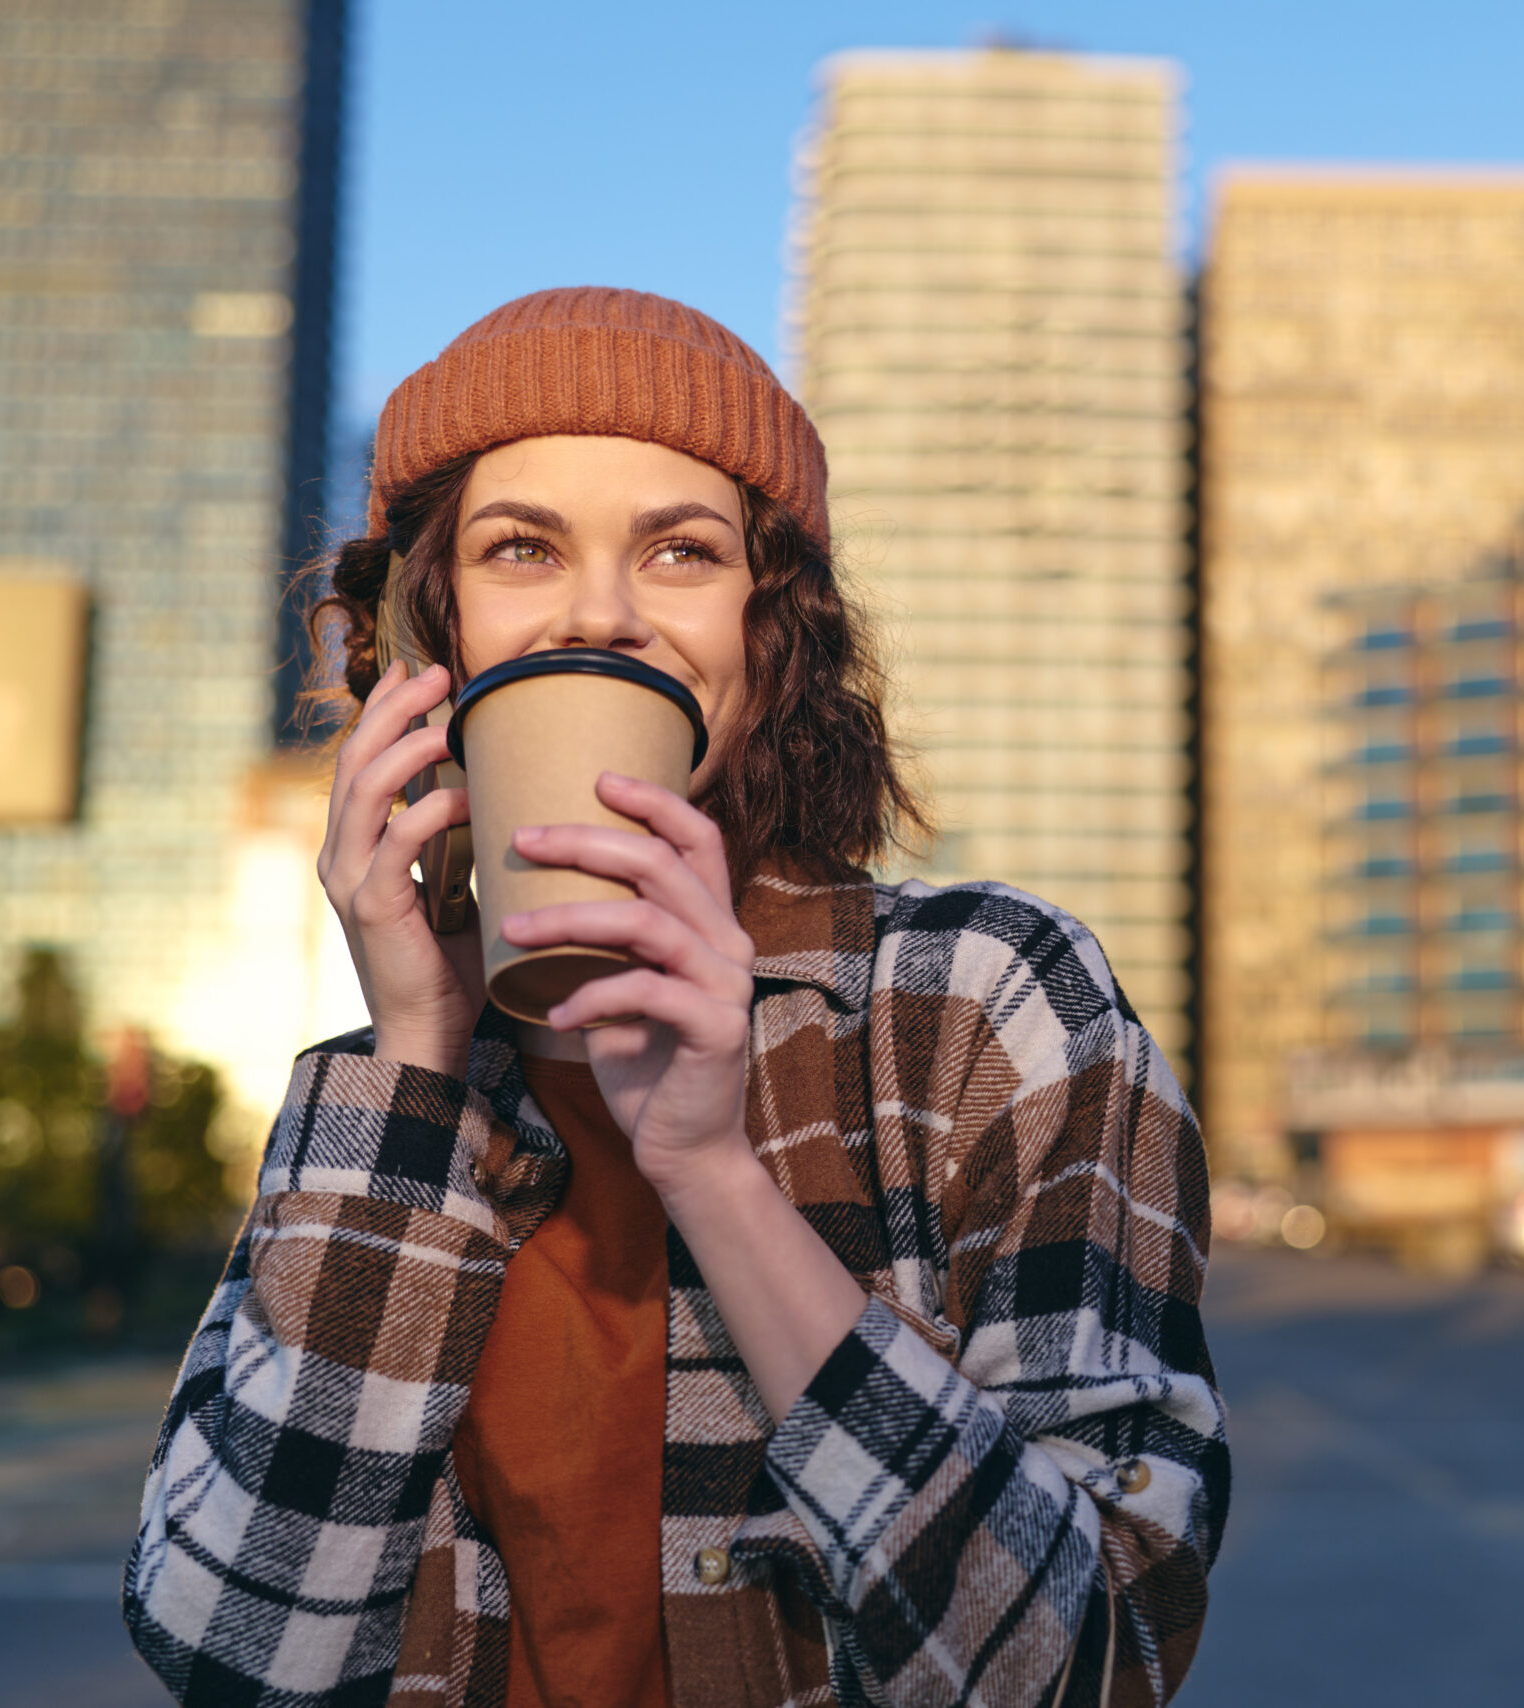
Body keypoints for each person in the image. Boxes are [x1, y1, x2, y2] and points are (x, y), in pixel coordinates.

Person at [124, 288, 1226, 1707]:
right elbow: (232, 1652)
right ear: (435, 631)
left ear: (773, 638)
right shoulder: (380, 1089)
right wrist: (411, 1063)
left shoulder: (984, 1005)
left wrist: (710, 1171)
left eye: (682, 551)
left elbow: (1094, 1663)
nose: (602, 612)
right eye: (521, 547)